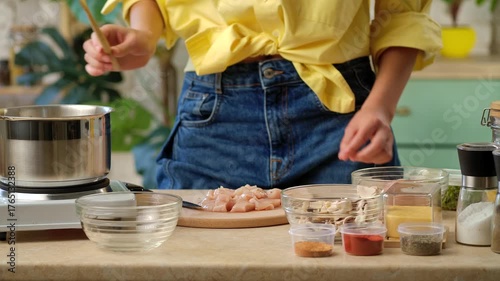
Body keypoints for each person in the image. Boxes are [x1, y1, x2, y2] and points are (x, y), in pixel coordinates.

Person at [83, 0, 441, 189]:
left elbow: (402, 14)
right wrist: (144, 35)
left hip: (338, 117)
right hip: (213, 121)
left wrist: (380, 107)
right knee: (191, 261)